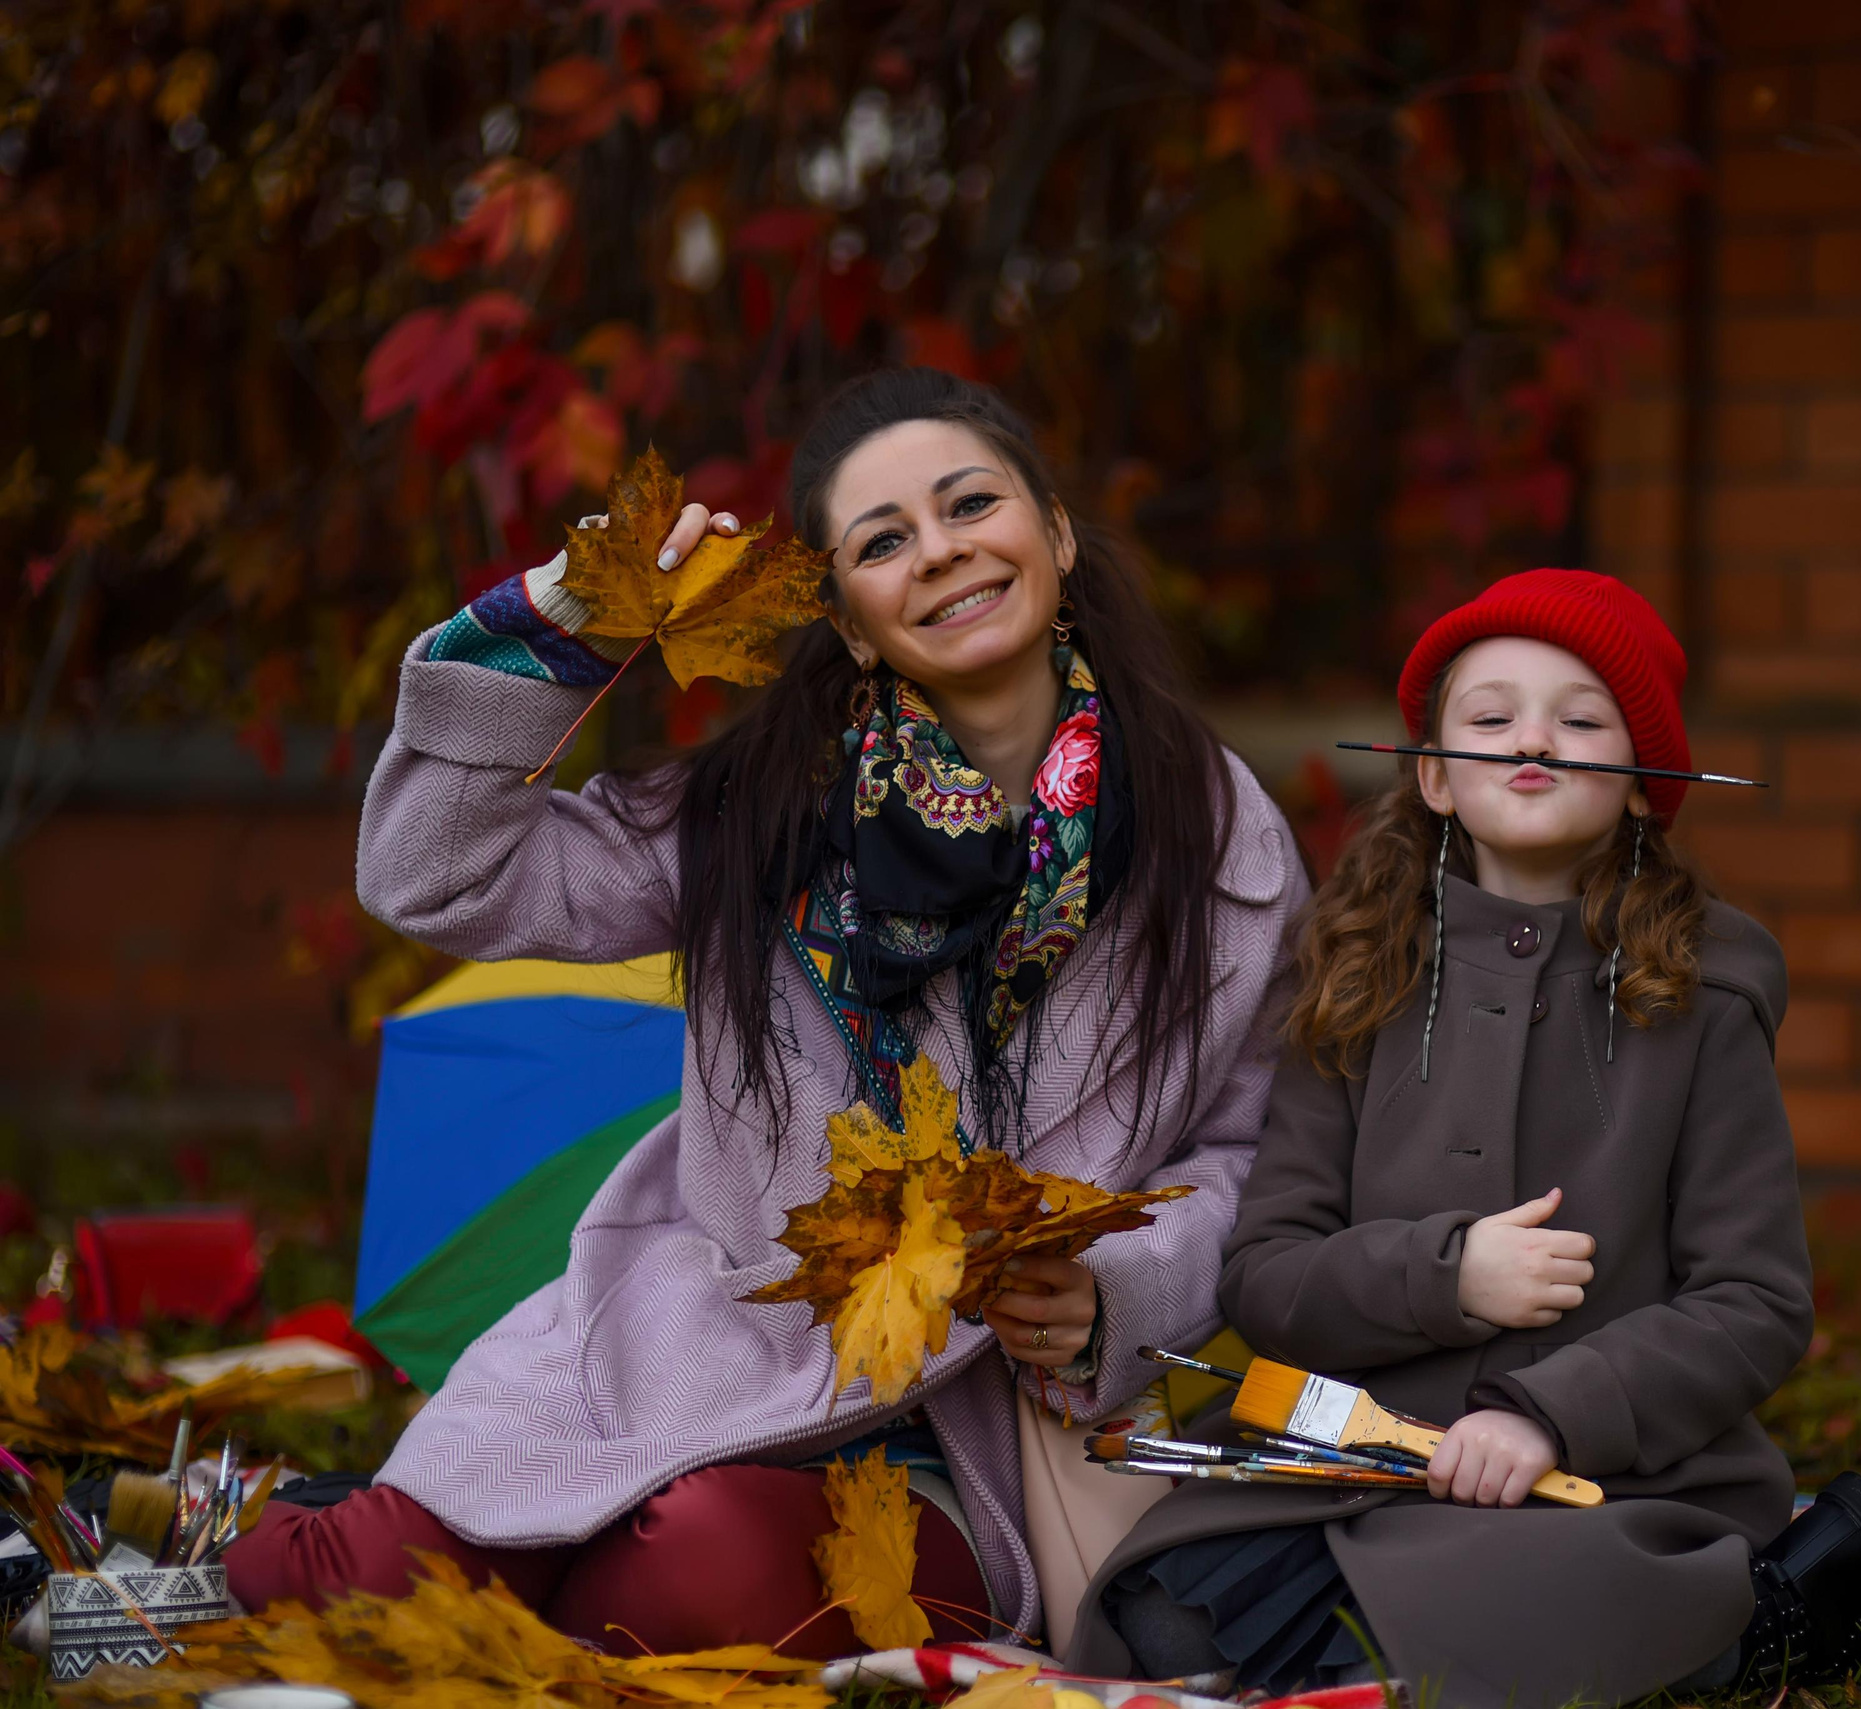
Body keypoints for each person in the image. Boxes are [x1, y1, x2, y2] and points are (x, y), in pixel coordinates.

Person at [228, 368, 1308, 1656]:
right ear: (849, 619)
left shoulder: (1214, 830)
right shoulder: (759, 812)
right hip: (699, 1344)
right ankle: (259, 1532)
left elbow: (1251, 1152)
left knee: (706, 1567)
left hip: (971, 1438)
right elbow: (434, 871)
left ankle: (526, 1602)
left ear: (1056, 535)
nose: (942, 551)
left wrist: (1118, 1284)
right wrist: (572, 621)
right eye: (884, 540)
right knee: (354, 1575)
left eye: (971, 504)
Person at [1064, 570, 1861, 1706]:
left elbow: (1753, 1301)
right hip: (1354, 1462)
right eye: (1493, 714)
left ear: (1647, 784)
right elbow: (1267, 1274)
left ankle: (1764, 1601)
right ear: (1435, 776)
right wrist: (1446, 1275)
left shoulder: (1701, 999)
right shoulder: (1358, 974)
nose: (1534, 739)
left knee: (1504, 1613)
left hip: (1605, 1479)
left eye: (1579, 716)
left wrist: (1546, 1413)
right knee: (1161, 1610)